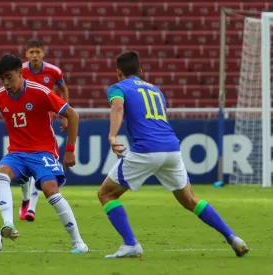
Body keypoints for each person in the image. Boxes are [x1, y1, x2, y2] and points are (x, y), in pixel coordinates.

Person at [98, 51, 249, 259]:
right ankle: (233, 237)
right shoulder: (156, 90)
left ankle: (130, 244)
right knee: (190, 199)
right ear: (140, 72)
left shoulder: (117, 88)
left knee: (106, 194)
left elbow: (117, 106)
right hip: (172, 148)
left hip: (146, 150)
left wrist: (113, 136)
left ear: (118, 72)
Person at [0, 54, 88, 253]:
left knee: (50, 191)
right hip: (17, 152)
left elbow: (72, 115)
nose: (6, 83)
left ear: (20, 72)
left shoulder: (41, 92)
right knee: (1, 174)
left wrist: (70, 150)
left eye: (9, 77)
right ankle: (8, 224)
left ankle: (78, 242)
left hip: (43, 151)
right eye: (2, 79)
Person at [18, 39, 71, 222]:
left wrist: (64, 115)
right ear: (26, 54)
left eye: (37, 52)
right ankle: (25, 200)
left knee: (38, 161)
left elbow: (63, 90)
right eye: (31, 52)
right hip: (23, 122)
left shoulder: (53, 71)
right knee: (22, 167)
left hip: (43, 123)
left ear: (43, 53)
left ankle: (31, 208)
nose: (34, 55)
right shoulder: (21, 70)